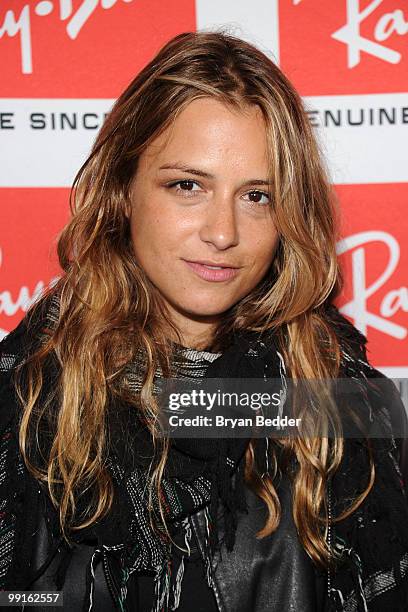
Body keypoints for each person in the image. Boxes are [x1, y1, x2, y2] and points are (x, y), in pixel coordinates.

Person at [0, 30, 408, 612]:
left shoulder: (344, 401)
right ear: (123, 188)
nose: (223, 233)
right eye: (187, 186)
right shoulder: (26, 396)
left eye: (257, 196)